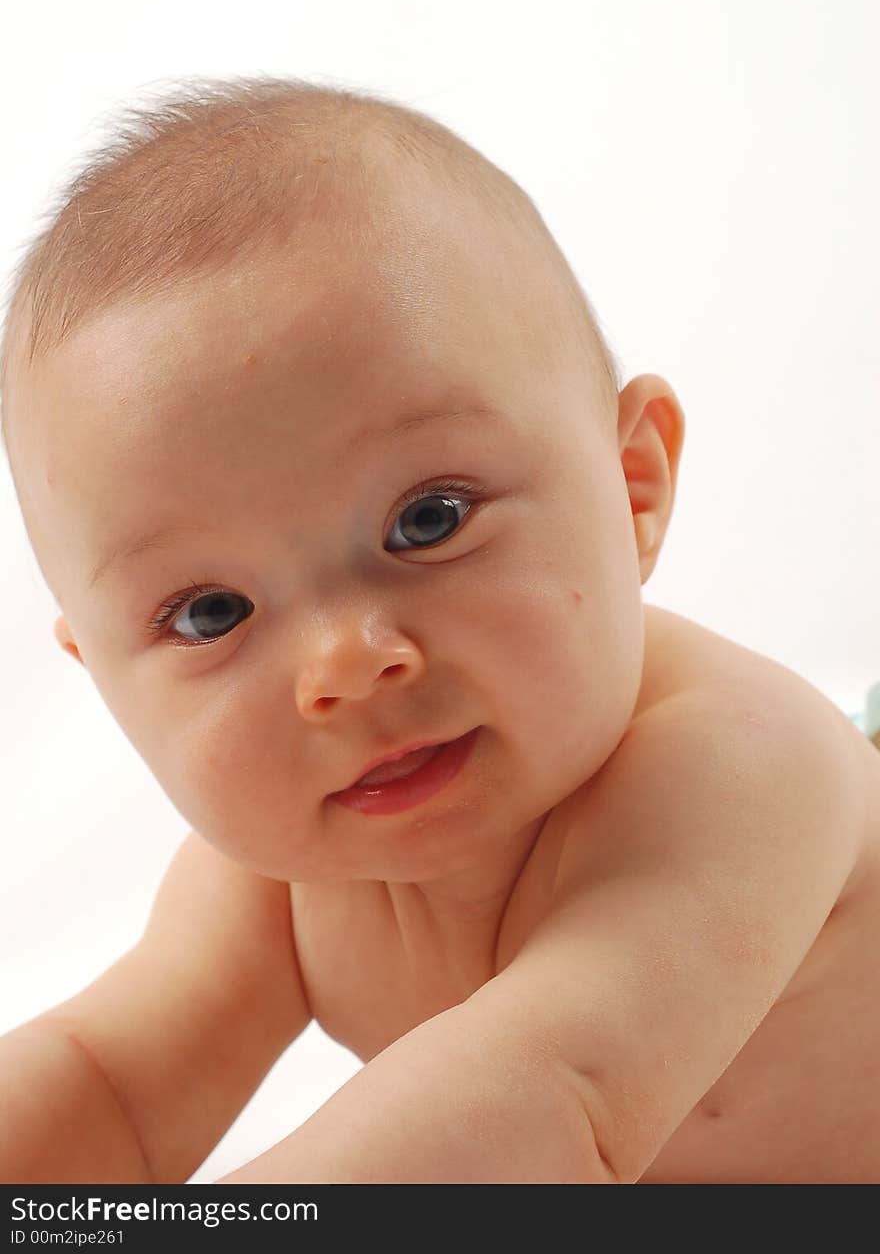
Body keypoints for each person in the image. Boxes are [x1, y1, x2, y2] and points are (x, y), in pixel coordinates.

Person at [0, 77, 877, 1185]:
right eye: (211, 612)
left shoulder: (744, 764)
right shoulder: (271, 882)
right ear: (99, 670)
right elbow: (109, 1089)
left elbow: (547, 1104)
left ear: (631, 484)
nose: (346, 665)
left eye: (427, 521)